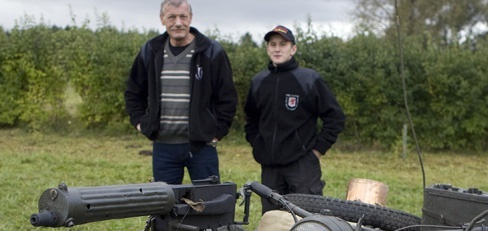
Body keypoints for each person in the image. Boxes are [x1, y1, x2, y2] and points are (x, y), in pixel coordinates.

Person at [125, 0, 238, 184]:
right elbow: (133, 92)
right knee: (165, 207)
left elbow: (227, 97)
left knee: (209, 205)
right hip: (163, 147)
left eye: (183, 17)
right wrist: (140, 122)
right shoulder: (151, 50)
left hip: (202, 146)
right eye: (171, 17)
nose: (178, 23)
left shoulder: (211, 51)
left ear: (190, 18)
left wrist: (216, 132)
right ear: (162, 19)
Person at [244, 25, 345, 212]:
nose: (277, 48)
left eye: (283, 44)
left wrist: (317, 150)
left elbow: (335, 117)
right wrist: (258, 145)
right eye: (272, 44)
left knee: (307, 221)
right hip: (270, 167)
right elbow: (251, 119)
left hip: (302, 164)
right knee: (273, 222)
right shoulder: (259, 81)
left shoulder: (308, 79)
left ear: (293, 49)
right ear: (267, 49)